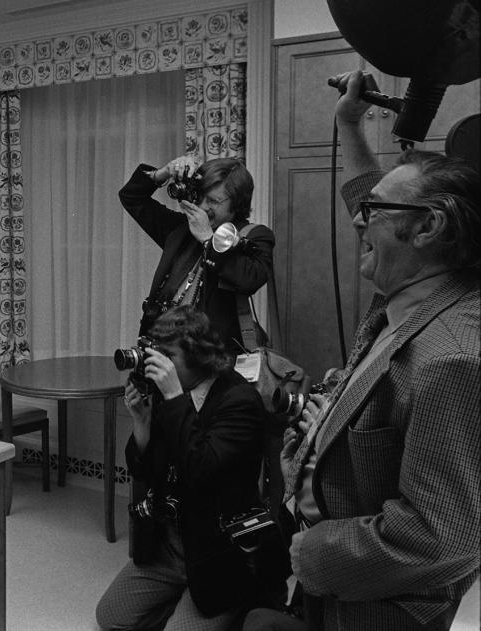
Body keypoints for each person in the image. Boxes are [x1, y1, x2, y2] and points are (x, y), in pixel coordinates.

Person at [256, 70, 480, 631]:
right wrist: (349, 122)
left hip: (378, 610)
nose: (358, 220)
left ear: (428, 227)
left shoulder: (452, 359)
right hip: (339, 591)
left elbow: (439, 538)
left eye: (374, 214)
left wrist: (314, 553)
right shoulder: (408, 295)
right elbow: (370, 197)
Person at [96, 306, 284, 630]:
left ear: (198, 355)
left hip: (219, 552)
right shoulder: (170, 395)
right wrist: (142, 423)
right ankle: (181, 599)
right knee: (112, 616)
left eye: (168, 356)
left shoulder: (238, 400)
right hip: (171, 544)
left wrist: (172, 397)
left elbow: (201, 471)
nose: (159, 365)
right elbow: (147, 472)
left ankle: (234, 604)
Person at [120, 155, 274, 355]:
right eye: (200, 197)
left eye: (213, 201)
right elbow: (131, 198)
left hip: (210, 360)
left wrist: (208, 240)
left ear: (236, 203)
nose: (202, 207)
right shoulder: (181, 229)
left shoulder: (255, 235)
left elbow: (250, 280)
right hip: (161, 349)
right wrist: (164, 172)